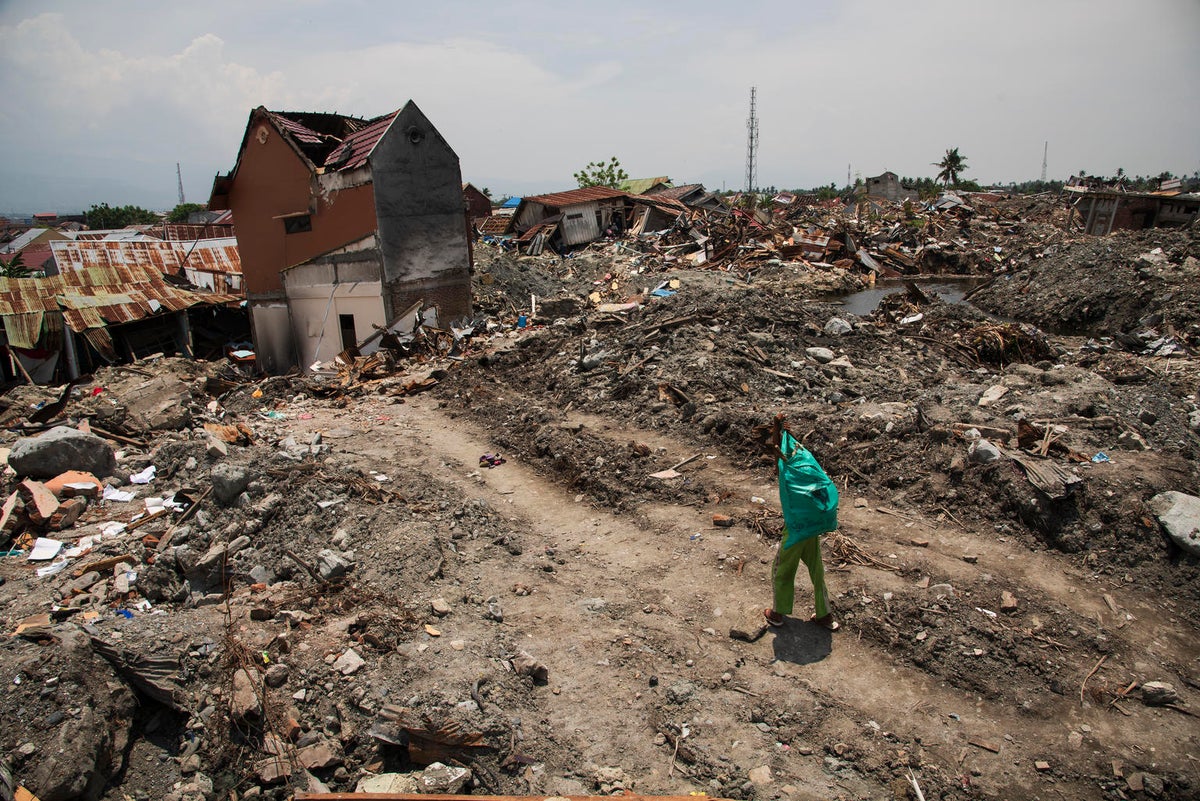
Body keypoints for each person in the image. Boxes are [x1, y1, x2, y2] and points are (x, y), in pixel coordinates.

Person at [761, 414, 839, 631]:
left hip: (795, 529)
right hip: (812, 527)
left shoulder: (787, 472)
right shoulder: (804, 462)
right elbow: (781, 448)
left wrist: (777, 428)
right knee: (817, 570)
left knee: (782, 569)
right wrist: (781, 428)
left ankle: (777, 613)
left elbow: (776, 452)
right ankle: (825, 616)